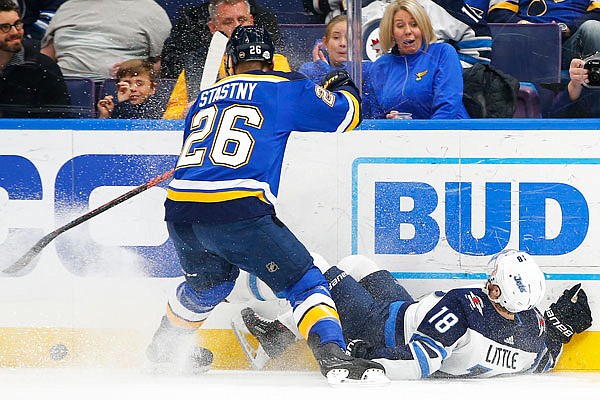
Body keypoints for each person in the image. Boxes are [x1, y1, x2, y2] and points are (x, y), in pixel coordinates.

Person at [145, 25, 388, 386]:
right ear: (269, 58)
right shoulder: (285, 88)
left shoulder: (203, 98)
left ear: (230, 61)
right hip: (237, 209)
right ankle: (335, 356)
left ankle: (163, 348)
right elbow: (348, 117)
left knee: (206, 287)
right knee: (304, 282)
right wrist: (345, 88)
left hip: (181, 208)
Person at [237, 250, 593, 379]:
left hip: (380, 323)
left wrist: (365, 357)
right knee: (357, 264)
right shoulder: (531, 335)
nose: (489, 279)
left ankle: (276, 337)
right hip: (406, 309)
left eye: (494, 278)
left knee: (313, 264)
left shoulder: (463, 307)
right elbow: (544, 359)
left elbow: (422, 363)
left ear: (500, 291)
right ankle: (282, 333)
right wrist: (560, 331)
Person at [162, 0, 291, 120]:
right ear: (213, 28)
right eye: (228, 22)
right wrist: (186, 111)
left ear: (251, 21)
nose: (238, 27)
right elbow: (169, 116)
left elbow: (287, 105)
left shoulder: (275, 60)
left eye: (242, 20)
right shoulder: (197, 66)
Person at [361, 0, 471, 119]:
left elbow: (448, 108)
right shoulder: (380, 66)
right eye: (400, 26)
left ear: (423, 28)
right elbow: (373, 118)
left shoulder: (443, 53)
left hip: (448, 134)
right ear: (391, 32)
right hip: (398, 136)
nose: (408, 31)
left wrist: (418, 131)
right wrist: (389, 121)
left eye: (414, 24)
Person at [40, 0, 171, 84]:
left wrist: (138, 69)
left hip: (124, 92)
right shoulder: (67, 7)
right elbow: (45, 58)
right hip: (64, 88)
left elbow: (168, 62)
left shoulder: (151, 10)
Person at [362, 0, 492, 68]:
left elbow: (479, 36)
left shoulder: (440, 4)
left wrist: (452, 73)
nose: (407, 31)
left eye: (414, 24)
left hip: (431, 94)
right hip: (377, 91)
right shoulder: (357, 6)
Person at [0, 0, 70, 118]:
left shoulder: (43, 68)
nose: (15, 32)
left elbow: (60, 122)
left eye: (17, 24)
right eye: (5, 27)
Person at [487, 0, 600, 70]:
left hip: (570, 44)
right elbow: (499, 12)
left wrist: (567, 28)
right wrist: (527, 26)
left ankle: (592, 103)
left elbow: (597, 13)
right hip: (527, 44)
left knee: (593, 28)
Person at [96, 59, 167, 119]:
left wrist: (123, 103)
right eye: (127, 83)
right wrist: (105, 116)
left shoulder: (157, 108)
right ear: (118, 87)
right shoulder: (113, 106)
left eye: (139, 84)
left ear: (153, 88)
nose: (133, 88)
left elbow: (133, 126)